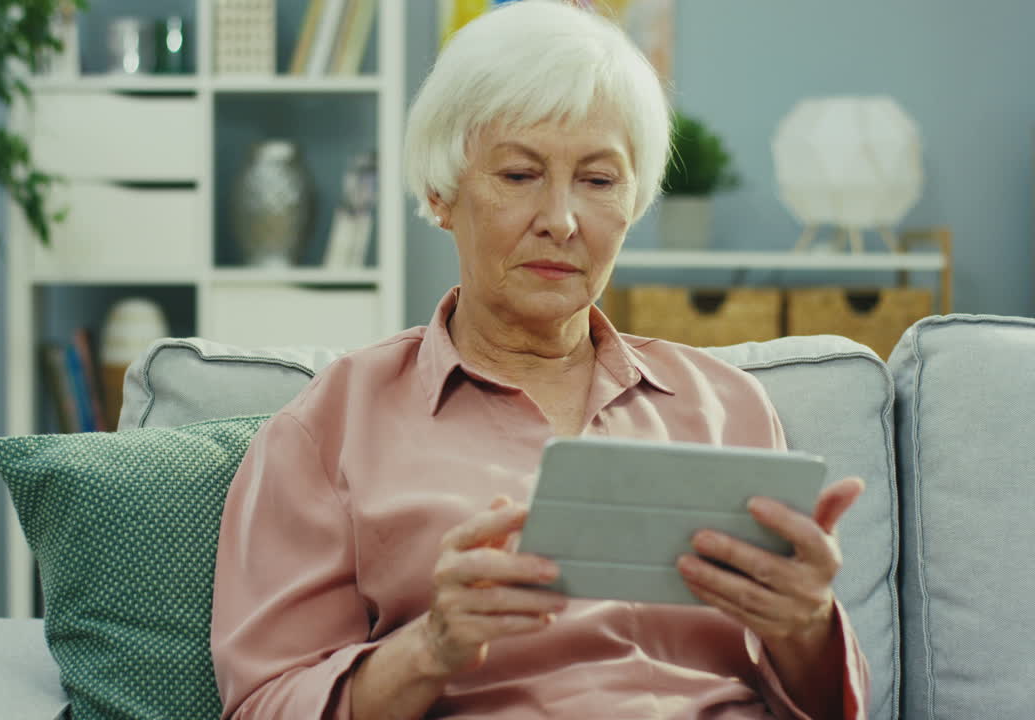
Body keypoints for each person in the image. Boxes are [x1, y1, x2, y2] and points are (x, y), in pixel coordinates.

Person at [210, 2, 870, 718]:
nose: (561, 219)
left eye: (598, 181)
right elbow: (265, 705)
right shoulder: (329, 427)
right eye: (521, 175)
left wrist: (805, 624)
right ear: (441, 193)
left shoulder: (727, 407)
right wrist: (431, 646)